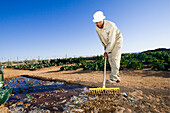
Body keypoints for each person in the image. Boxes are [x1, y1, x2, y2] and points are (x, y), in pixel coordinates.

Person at [93, 11, 123, 83]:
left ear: (103, 20)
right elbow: (101, 38)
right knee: (110, 60)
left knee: (115, 58)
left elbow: (112, 40)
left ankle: (115, 79)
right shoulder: (97, 28)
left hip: (116, 41)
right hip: (108, 44)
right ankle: (115, 77)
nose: (97, 24)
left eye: (99, 22)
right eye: (96, 22)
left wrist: (107, 51)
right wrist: (105, 47)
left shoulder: (111, 25)